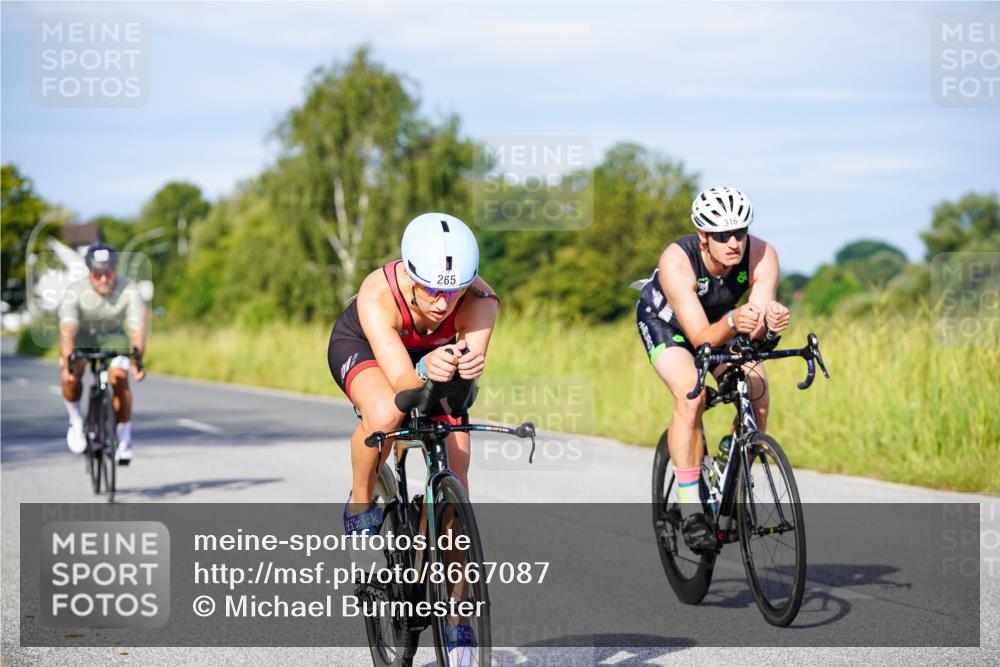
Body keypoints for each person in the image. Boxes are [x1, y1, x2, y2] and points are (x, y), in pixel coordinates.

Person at [327, 212, 498, 666]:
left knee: (457, 472)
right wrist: (423, 370)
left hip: (433, 356)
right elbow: (404, 382)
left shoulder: (480, 301)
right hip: (368, 347)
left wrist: (467, 366)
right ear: (410, 274)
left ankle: (458, 615)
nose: (443, 303)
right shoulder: (378, 294)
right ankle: (360, 504)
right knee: (387, 414)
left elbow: (463, 387)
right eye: (433, 290)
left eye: (453, 291)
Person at [632, 187, 790, 552]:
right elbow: (701, 338)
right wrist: (735, 320)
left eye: (740, 232)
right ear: (703, 235)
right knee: (692, 393)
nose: (734, 243)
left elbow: (754, 328)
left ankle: (730, 471)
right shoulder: (677, 260)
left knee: (757, 391)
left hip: (722, 325)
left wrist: (769, 323)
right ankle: (691, 508)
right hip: (668, 324)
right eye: (722, 235)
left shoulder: (763, 255)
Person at [59, 242, 146, 463]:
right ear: (90, 273)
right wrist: (68, 363)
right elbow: (67, 332)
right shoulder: (75, 291)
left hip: (112, 335)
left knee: (119, 376)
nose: (104, 278)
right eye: (98, 274)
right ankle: (76, 420)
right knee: (71, 375)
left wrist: (136, 361)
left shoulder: (128, 288)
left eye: (109, 272)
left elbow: (137, 330)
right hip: (83, 335)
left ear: (115, 270)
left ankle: (124, 437)